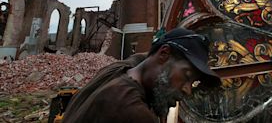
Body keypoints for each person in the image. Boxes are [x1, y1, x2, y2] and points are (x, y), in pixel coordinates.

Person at [62, 28, 221, 123]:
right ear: (163, 54)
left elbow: (142, 59)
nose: (188, 90)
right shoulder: (133, 113)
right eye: (186, 76)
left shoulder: (116, 70)